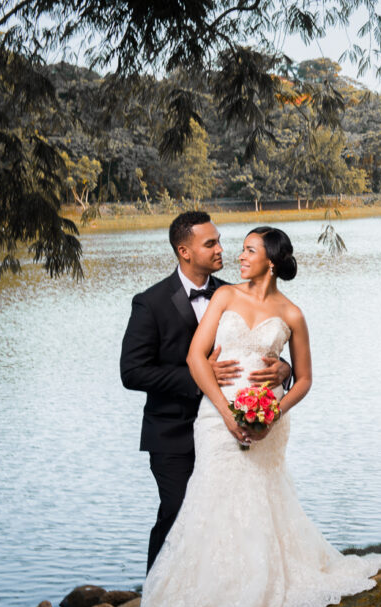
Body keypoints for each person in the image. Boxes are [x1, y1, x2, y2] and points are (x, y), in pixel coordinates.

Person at [124, 227, 381, 607]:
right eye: (218, 245)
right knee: (197, 505)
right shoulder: (194, 299)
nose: (231, 253)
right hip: (202, 420)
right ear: (184, 251)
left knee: (259, 498)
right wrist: (224, 409)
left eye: (245, 249)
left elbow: (303, 374)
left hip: (265, 422)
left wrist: (275, 399)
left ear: (269, 261)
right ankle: (180, 595)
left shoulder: (289, 312)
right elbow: (178, 361)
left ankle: (256, 582)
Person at [120, 211, 290, 574]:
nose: (220, 249)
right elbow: (132, 372)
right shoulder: (149, 303)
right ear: (184, 251)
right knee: (178, 514)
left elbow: (265, 347)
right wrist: (197, 375)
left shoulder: (232, 293)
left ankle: (222, 588)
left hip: (227, 428)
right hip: (173, 433)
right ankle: (155, 595)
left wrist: (285, 369)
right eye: (210, 243)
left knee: (228, 515)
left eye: (219, 241)